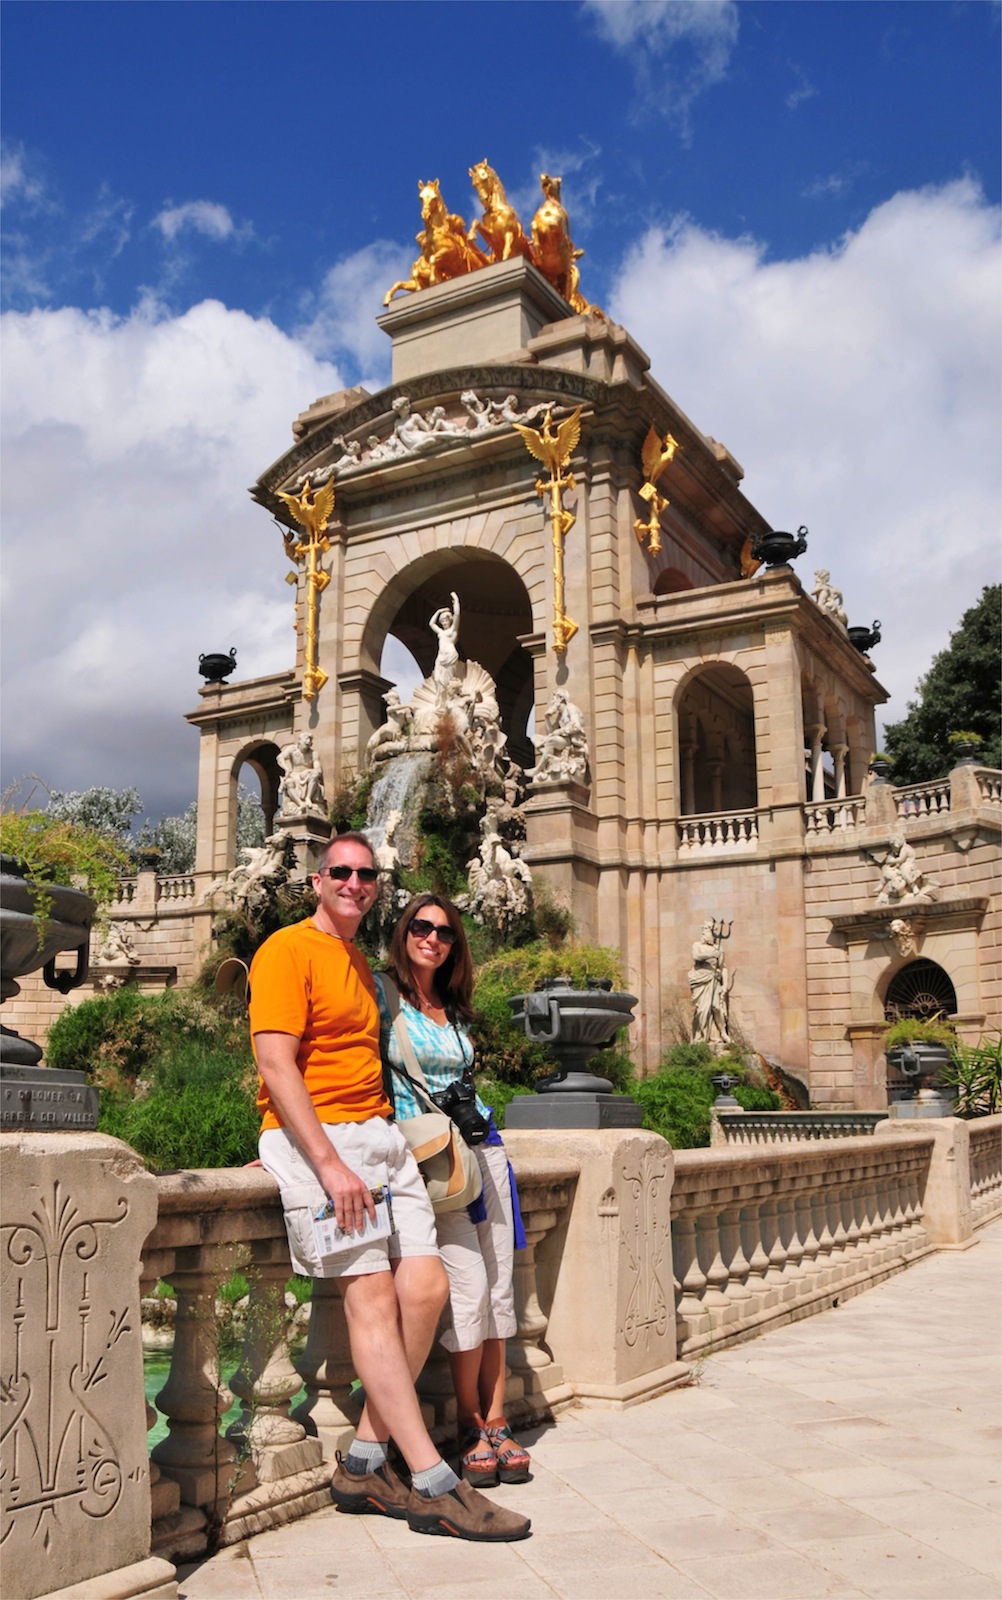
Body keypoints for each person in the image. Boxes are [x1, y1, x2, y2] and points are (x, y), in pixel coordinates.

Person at [249, 832, 529, 1543]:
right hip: (331, 1144)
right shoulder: (285, 950)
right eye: (339, 872)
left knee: (427, 1291)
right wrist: (314, 1161)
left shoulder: (357, 962)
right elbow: (277, 1066)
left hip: (383, 1140)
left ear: (375, 887)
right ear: (317, 880)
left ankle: (365, 1459)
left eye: (365, 874)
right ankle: (435, 1482)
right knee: (372, 1302)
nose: (353, 882)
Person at [376, 892, 532, 1489]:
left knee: (496, 1287)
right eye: (421, 927)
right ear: (404, 932)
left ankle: (498, 1418)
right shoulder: (384, 997)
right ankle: (470, 1422)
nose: (432, 939)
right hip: (433, 1162)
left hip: (484, 1151)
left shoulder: (453, 1006)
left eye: (444, 932)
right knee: (465, 1287)